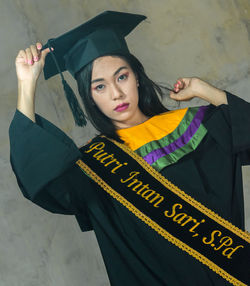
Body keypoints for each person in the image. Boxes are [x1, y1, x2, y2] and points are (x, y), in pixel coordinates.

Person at [9, 11, 250, 286]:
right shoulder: (92, 166)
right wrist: (26, 85)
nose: (116, 94)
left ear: (136, 76)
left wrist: (206, 90)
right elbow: (39, 180)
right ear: (89, 97)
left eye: (121, 77)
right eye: (99, 86)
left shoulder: (193, 125)